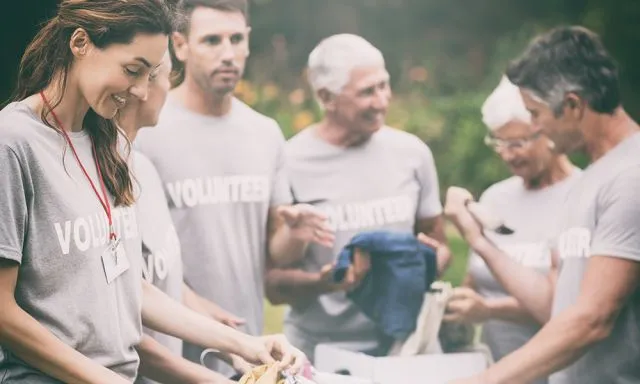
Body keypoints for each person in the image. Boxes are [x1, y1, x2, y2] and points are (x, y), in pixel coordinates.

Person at [0, 2, 305, 383]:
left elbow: (130, 287)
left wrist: (247, 344)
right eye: (132, 70)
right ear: (80, 43)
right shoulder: (13, 144)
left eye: (149, 75)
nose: (141, 90)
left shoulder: (107, 145)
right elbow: (3, 312)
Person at [134, 0, 333, 375]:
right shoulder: (147, 129)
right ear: (179, 45)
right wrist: (197, 314)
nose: (227, 54)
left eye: (235, 39)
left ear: (248, 42)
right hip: (169, 355)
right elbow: (136, 265)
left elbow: (278, 255)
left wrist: (294, 233)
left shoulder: (265, 132)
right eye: (211, 40)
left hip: (249, 353)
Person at [446, 26, 640, 384]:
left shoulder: (631, 177)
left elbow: (592, 319)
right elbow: (556, 306)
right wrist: (479, 241)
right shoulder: (588, 180)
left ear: (572, 105)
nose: (535, 127)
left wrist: (483, 381)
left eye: (535, 114)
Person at [265, 34, 452, 361]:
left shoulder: (412, 153)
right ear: (326, 97)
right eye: (367, 91)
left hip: (405, 347)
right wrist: (325, 283)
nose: (382, 101)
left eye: (384, 85)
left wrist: (425, 262)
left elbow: (441, 248)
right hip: (320, 351)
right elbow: (274, 284)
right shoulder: (289, 161)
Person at [442, 75, 580, 383]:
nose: (507, 154)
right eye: (499, 142)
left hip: (556, 374)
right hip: (496, 370)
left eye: (516, 143)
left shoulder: (580, 196)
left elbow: (562, 309)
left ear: (545, 130)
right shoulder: (495, 197)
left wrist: (490, 310)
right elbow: (475, 281)